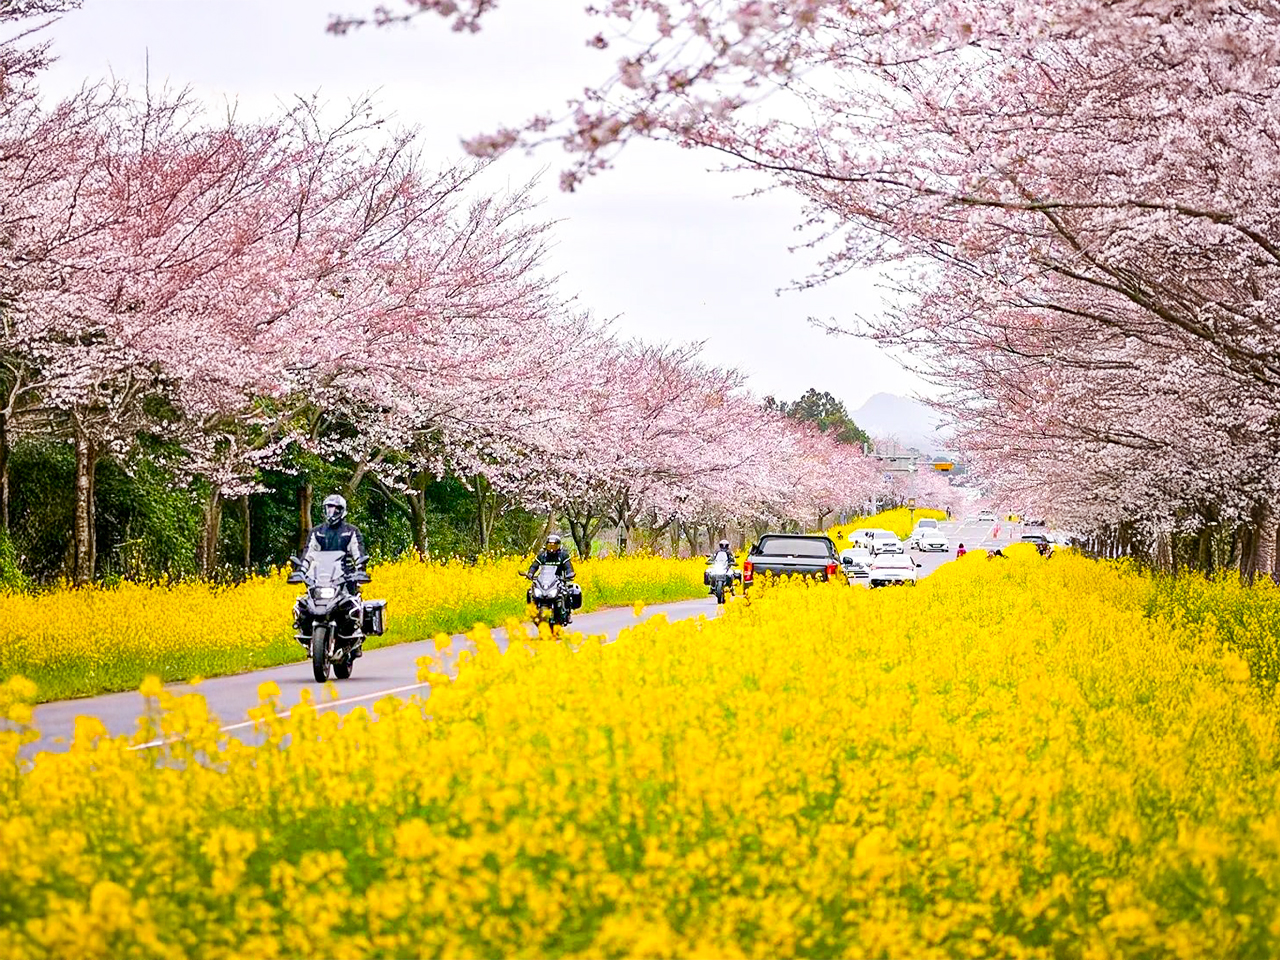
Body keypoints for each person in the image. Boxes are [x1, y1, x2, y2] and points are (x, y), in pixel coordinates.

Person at [295, 494, 368, 638]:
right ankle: (306, 632)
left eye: (335, 509)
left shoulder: (351, 531)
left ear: (342, 511)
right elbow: (308, 553)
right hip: (321, 577)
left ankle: (353, 631)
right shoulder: (317, 532)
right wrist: (301, 571)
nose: (331, 512)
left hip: (344, 576)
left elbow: (357, 551)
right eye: (329, 508)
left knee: (351, 605)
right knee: (304, 605)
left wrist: (360, 570)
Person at [528, 534, 577, 622]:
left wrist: (570, 574)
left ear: (558, 546)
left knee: (566, 593)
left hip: (559, 580)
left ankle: (568, 613)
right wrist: (530, 573)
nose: (551, 548)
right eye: (549, 545)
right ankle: (533, 612)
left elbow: (568, 567)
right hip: (544, 580)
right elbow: (534, 566)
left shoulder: (563, 555)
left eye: (554, 546)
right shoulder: (542, 555)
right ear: (546, 546)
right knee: (531, 592)